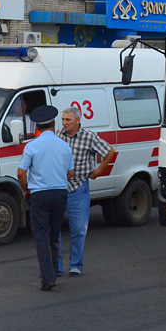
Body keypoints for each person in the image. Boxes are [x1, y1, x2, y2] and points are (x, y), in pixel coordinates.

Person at [17, 105, 74, 291]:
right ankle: (55, 270)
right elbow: (71, 172)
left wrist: (25, 189)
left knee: (41, 235)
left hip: (39, 194)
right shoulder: (64, 145)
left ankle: (47, 277)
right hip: (59, 193)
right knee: (54, 233)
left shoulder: (32, 146)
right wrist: (58, 180)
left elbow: (21, 173)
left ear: (37, 127)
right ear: (54, 124)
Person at [56, 106, 116, 277]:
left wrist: (98, 171)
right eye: (63, 119)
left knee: (78, 228)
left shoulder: (88, 137)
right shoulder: (58, 135)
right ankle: (57, 266)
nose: (64, 123)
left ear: (77, 121)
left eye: (68, 120)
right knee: (55, 227)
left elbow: (109, 151)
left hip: (79, 187)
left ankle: (75, 264)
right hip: (60, 186)